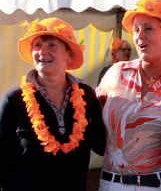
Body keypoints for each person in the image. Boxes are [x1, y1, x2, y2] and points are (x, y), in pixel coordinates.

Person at [0, 18, 105, 191]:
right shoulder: (14, 99)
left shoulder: (86, 95)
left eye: (51, 45)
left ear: (68, 54)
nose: (42, 51)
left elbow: (101, 145)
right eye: (38, 45)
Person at [96, 0, 161, 190]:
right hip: (111, 184)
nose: (140, 37)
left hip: (160, 185)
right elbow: (89, 118)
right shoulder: (116, 73)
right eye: (136, 30)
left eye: (148, 29)